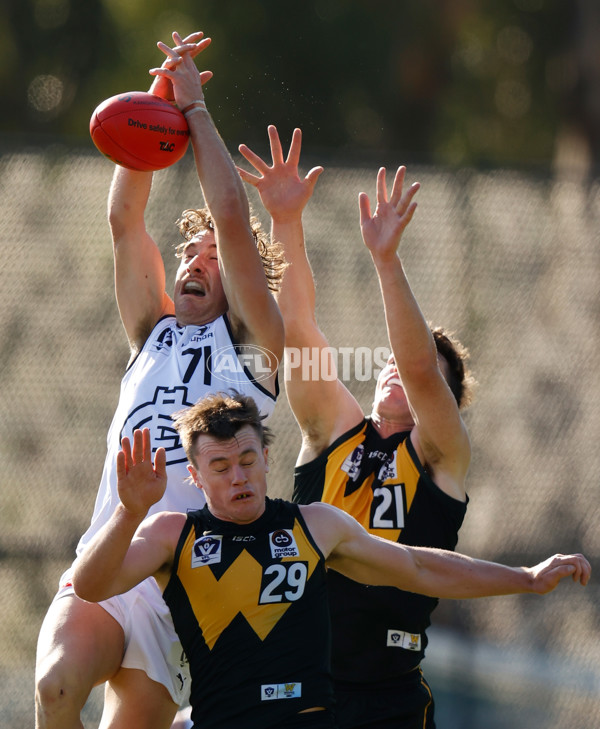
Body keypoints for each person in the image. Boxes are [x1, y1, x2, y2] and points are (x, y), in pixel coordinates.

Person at [71, 391, 590, 729]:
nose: (239, 477)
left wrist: (525, 577)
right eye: (221, 466)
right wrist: (128, 511)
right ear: (195, 476)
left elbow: (418, 567)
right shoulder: (171, 534)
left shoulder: (315, 525)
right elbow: (91, 586)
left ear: (267, 459)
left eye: (248, 460)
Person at [35, 32, 284, 729]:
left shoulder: (257, 351)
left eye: (212, 257)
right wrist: (157, 104)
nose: (195, 261)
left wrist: (197, 111)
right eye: (189, 251)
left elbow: (233, 219)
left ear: (242, 279)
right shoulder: (156, 329)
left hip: (181, 584)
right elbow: (124, 220)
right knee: (56, 687)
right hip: (114, 553)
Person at [238, 126, 473, 728]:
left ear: (446, 400)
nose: (399, 365)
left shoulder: (442, 458)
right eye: (389, 358)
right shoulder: (335, 432)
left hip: (387, 694)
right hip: (299, 677)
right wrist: (285, 222)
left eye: (423, 371)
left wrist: (386, 260)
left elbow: (421, 367)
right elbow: (297, 326)